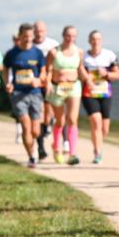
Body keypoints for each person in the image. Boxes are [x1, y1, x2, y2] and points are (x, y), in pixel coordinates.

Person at [4, 23, 47, 168]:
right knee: (25, 125)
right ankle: (31, 156)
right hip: (18, 94)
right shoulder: (12, 53)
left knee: (36, 130)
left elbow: (43, 71)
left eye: (30, 36)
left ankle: (33, 145)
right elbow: (5, 69)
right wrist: (8, 83)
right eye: (25, 36)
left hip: (35, 93)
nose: (28, 39)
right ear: (20, 36)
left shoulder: (37, 53)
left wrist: (39, 79)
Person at [44, 25, 85, 165]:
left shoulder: (79, 52)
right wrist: (48, 82)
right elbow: (47, 69)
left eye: (73, 36)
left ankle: (72, 153)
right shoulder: (54, 52)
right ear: (63, 36)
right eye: (68, 36)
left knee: (72, 119)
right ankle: (57, 147)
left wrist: (89, 80)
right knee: (60, 120)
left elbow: (81, 69)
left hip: (74, 86)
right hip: (58, 87)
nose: (70, 39)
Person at [82, 30, 119, 164]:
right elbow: (79, 74)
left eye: (98, 39)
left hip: (105, 93)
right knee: (95, 122)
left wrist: (107, 74)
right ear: (89, 41)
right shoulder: (84, 57)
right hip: (89, 93)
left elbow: (118, 75)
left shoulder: (109, 55)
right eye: (93, 39)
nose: (95, 41)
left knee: (104, 129)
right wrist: (87, 78)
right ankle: (97, 152)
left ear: (101, 41)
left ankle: (99, 144)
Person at [33, 20, 59, 160]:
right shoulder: (29, 45)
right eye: (36, 30)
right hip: (34, 85)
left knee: (48, 114)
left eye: (41, 31)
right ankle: (41, 147)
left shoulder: (53, 45)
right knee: (40, 115)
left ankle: (49, 126)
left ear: (46, 31)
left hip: (50, 83)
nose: (39, 33)